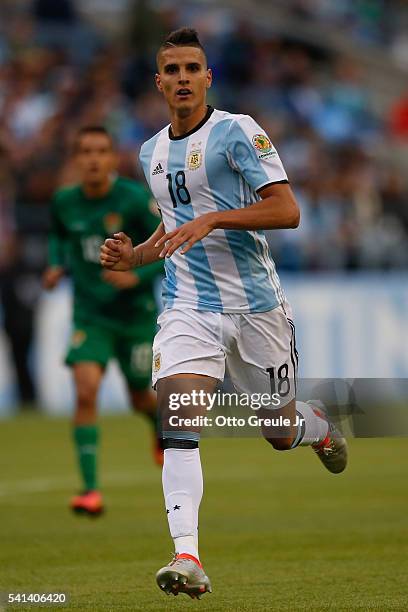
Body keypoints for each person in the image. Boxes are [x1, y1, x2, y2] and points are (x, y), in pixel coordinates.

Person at [100, 28, 348, 598]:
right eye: (173, 70)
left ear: (208, 78)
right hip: (189, 306)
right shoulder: (150, 152)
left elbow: (287, 210)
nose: (183, 78)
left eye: (193, 68)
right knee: (178, 418)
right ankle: (187, 556)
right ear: (159, 82)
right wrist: (133, 255)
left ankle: (319, 428)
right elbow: (174, 223)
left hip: (257, 309)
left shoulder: (238, 131)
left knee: (279, 432)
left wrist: (215, 219)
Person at [43, 125, 163, 516]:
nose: (93, 159)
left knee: (140, 396)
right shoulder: (64, 202)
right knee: (86, 390)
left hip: (135, 316)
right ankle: (90, 490)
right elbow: (59, 237)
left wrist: (135, 275)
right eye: (85, 152)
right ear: (76, 160)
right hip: (90, 315)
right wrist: (57, 265)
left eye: (101, 151)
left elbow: (165, 248)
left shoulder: (131, 199)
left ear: (112, 159)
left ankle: (158, 428)